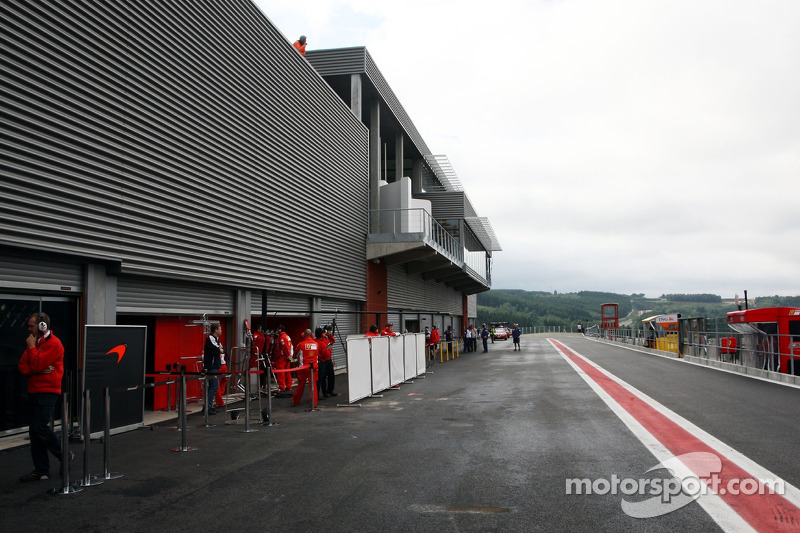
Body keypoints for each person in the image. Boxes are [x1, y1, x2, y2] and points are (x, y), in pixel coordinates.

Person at [18, 312, 69, 482]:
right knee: (34, 431)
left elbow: (38, 363)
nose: (29, 329)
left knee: (40, 427)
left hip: (48, 391)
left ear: (42, 326)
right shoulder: (35, 342)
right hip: (34, 390)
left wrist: (33, 351)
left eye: (32, 326)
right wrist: (37, 367)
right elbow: (24, 367)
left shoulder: (54, 344)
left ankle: (64, 454)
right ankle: (41, 470)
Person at [292, 329, 319, 406]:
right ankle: (314, 402)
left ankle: (296, 400)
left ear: (304, 335)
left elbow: (295, 354)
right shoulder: (316, 344)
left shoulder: (301, 344)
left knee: (301, 385)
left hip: (303, 368)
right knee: (313, 385)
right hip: (314, 367)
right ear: (312, 335)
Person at [203, 324, 223, 415]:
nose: (221, 330)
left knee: (212, 387)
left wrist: (220, 349)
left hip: (215, 366)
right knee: (214, 386)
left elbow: (221, 349)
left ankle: (208, 406)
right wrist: (219, 349)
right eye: (220, 329)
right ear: (215, 330)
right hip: (211, 367)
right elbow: (217, 350)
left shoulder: (217, 339)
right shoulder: (210, 338)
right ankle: (208, 407)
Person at [316, 326, 338, 399]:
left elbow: (333, 341)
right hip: (323, 360)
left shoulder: (326, 339)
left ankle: (330, 390)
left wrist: (330, 335)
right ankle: (324, 392)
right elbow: (324, 351)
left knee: (331, 375)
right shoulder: (319, 341)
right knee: (323, 377)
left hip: (328, 359)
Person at [275, 325, 293, 392]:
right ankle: (289, 386)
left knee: (280, 372)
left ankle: (281, 387)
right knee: (287, 372)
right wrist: (290, 357)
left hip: (282, 357)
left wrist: (288, 356)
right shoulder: (287, 336)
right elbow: (291, 347)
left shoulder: (282, 337)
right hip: (287, 356)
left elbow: (284, 347)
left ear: (280, 330)